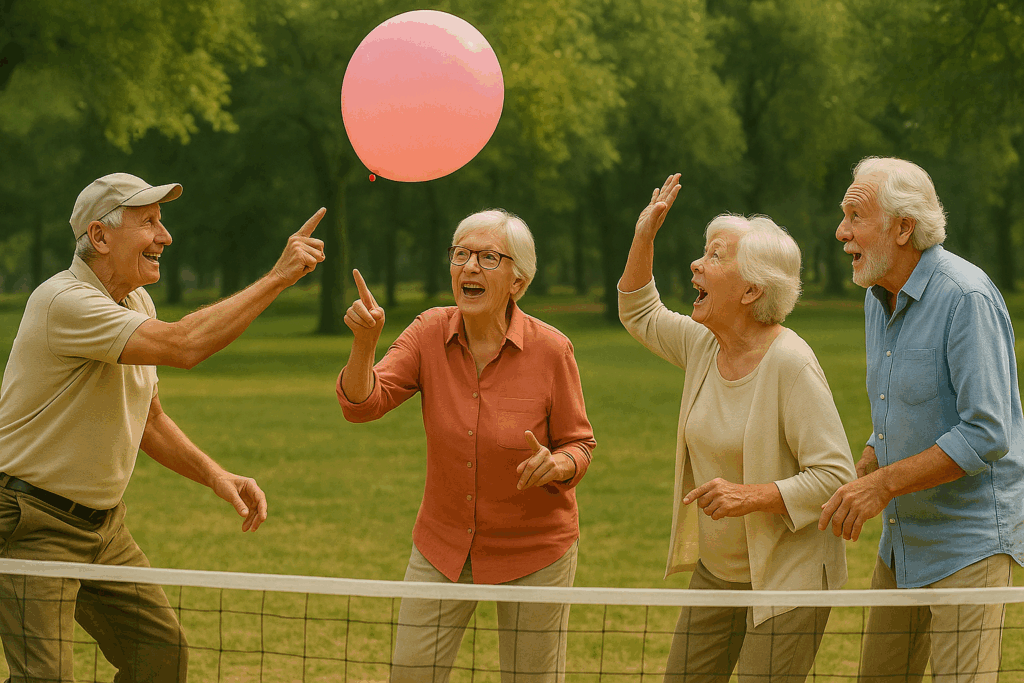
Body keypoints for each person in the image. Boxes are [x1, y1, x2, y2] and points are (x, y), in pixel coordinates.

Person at [0, 172, 325, 682]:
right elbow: (184, 346)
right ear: (100, 236)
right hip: (32, 521)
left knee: (161, 656)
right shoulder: (63, 301)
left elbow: (148, 419)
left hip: (104, 527)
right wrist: (276, 278)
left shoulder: (136, 302)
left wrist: (216, 475)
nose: (165, 236)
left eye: (161, 221)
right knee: (45, 678)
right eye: (148, 222)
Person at [336, 209, 595, 683]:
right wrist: (364, 344)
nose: (470, 266)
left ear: (518, 282)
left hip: (536, 551)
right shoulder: (427, 332)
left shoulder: (552, 350)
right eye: (461, 254)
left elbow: (580, 443)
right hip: (443, 545)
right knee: (411, 674)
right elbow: (362, 404)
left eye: (488, 257)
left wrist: (558, 464)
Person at [618, 174, 855, 681]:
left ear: (751, 290)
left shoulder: (791, 364)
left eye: (715, 256)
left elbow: (836, 476)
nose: (697, 264)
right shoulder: (704, 343)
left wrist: (751, 496)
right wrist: (644, 236)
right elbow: (639, 311)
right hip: (718, 573)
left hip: (787, 578)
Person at [819, 157, 1024, 682]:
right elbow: (905, 400)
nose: (841, 231)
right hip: (902, 543)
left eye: (856, 216)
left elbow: (987, 432)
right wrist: (871, 456)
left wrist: (883, 485)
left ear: (904, 228)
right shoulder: (877, 296)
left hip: (970, 547)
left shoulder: (966, 297)